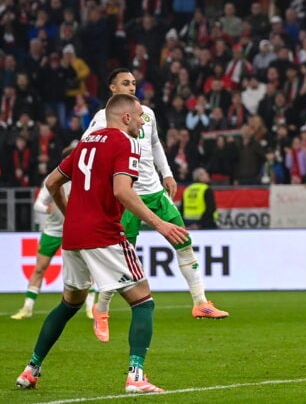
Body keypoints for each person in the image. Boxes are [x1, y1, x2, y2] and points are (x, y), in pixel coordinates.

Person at [15, 93, 191, 393]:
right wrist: (160, 223)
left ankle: (31, 369)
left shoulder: (85, 143)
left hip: (73, 236)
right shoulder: (126, 143)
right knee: (143, 300)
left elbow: (52, 183)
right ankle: (136, 376)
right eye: (138, 116)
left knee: (69, 303)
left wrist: (70, 214)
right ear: (125, 118)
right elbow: (123, 192)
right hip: (103, 233)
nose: (142, 121)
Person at [87, 69, 227, 344]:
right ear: (112, 87)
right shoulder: (101, 119)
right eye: (125, 83)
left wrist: (167, 174)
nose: (131, 86)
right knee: (121, 261)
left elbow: (155, 145)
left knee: (183, 241)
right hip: (126, 198)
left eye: (134, 83)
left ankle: (200, 301)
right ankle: (101, 308)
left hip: (155, 192)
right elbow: (87, 150)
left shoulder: (146, 112)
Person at [10, 143, 97, 320]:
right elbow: (38, 204)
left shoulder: (87, 179)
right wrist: (47, 209)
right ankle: (27, 308)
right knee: (40, 268)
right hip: (53, 231)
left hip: (76, 230)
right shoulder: (54, 178)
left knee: (89, 270)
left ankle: (90, 308)